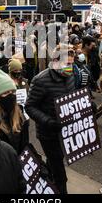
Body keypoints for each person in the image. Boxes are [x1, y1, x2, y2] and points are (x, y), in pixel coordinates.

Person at [25, 44, 76, 194]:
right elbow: (29, 107)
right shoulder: (40, 80)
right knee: (60, 173)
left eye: (72, 64)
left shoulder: (70, 76)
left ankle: (48, 182)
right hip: (48, 134)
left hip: (65, 132)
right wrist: (49, 121)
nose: (71, 68)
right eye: (68, 64)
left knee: (55, 161)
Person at [0, 69, 29, 154]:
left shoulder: (20, 114)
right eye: (6, 92)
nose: (11, 95)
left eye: (12, 92)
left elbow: (25, 146)